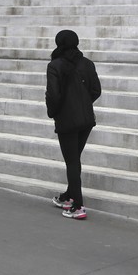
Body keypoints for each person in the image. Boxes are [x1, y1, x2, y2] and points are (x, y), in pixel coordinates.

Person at [45, 30, 101, 220]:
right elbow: (96, 90)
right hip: (86, 119)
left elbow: (53, 95)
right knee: (74, 159)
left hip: (67, 120)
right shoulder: (87, 63)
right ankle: (68, 195)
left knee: (72, 161)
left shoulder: (55, 65)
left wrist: (54, 112)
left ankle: (77, 206)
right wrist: (83, 103)